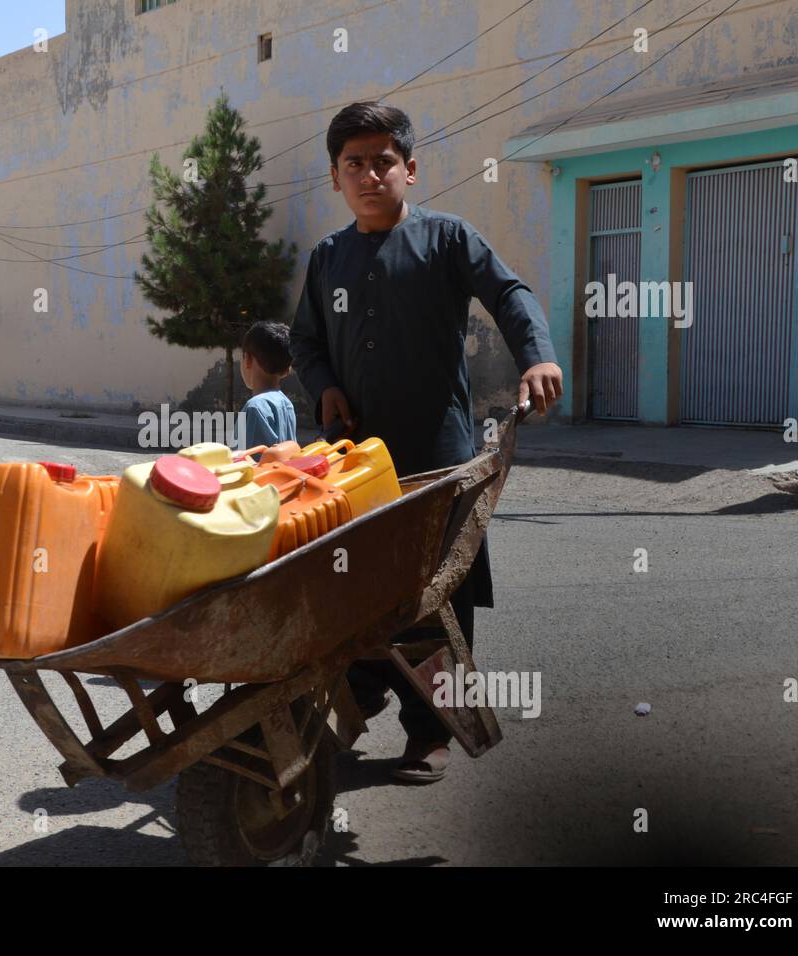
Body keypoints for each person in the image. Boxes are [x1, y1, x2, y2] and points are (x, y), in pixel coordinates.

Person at [289, 101, 563, 784]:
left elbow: (510, 292)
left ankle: (432, 731)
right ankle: (364, 691)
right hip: (354, 465)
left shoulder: (448, 240)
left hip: (438, 457)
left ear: (409, 169)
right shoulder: (328, 257)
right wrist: (321, 382)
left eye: (383, 160)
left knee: (441, 596)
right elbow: (304, 340)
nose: (369, 173)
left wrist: (536, 355)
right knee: (353, 586)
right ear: (335, 178)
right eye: (354, 163)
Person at [240, 321, 298, 451]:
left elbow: (247, 462)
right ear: (287, 369)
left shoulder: (255, 407)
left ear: (248, 359)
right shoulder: (286, 404)